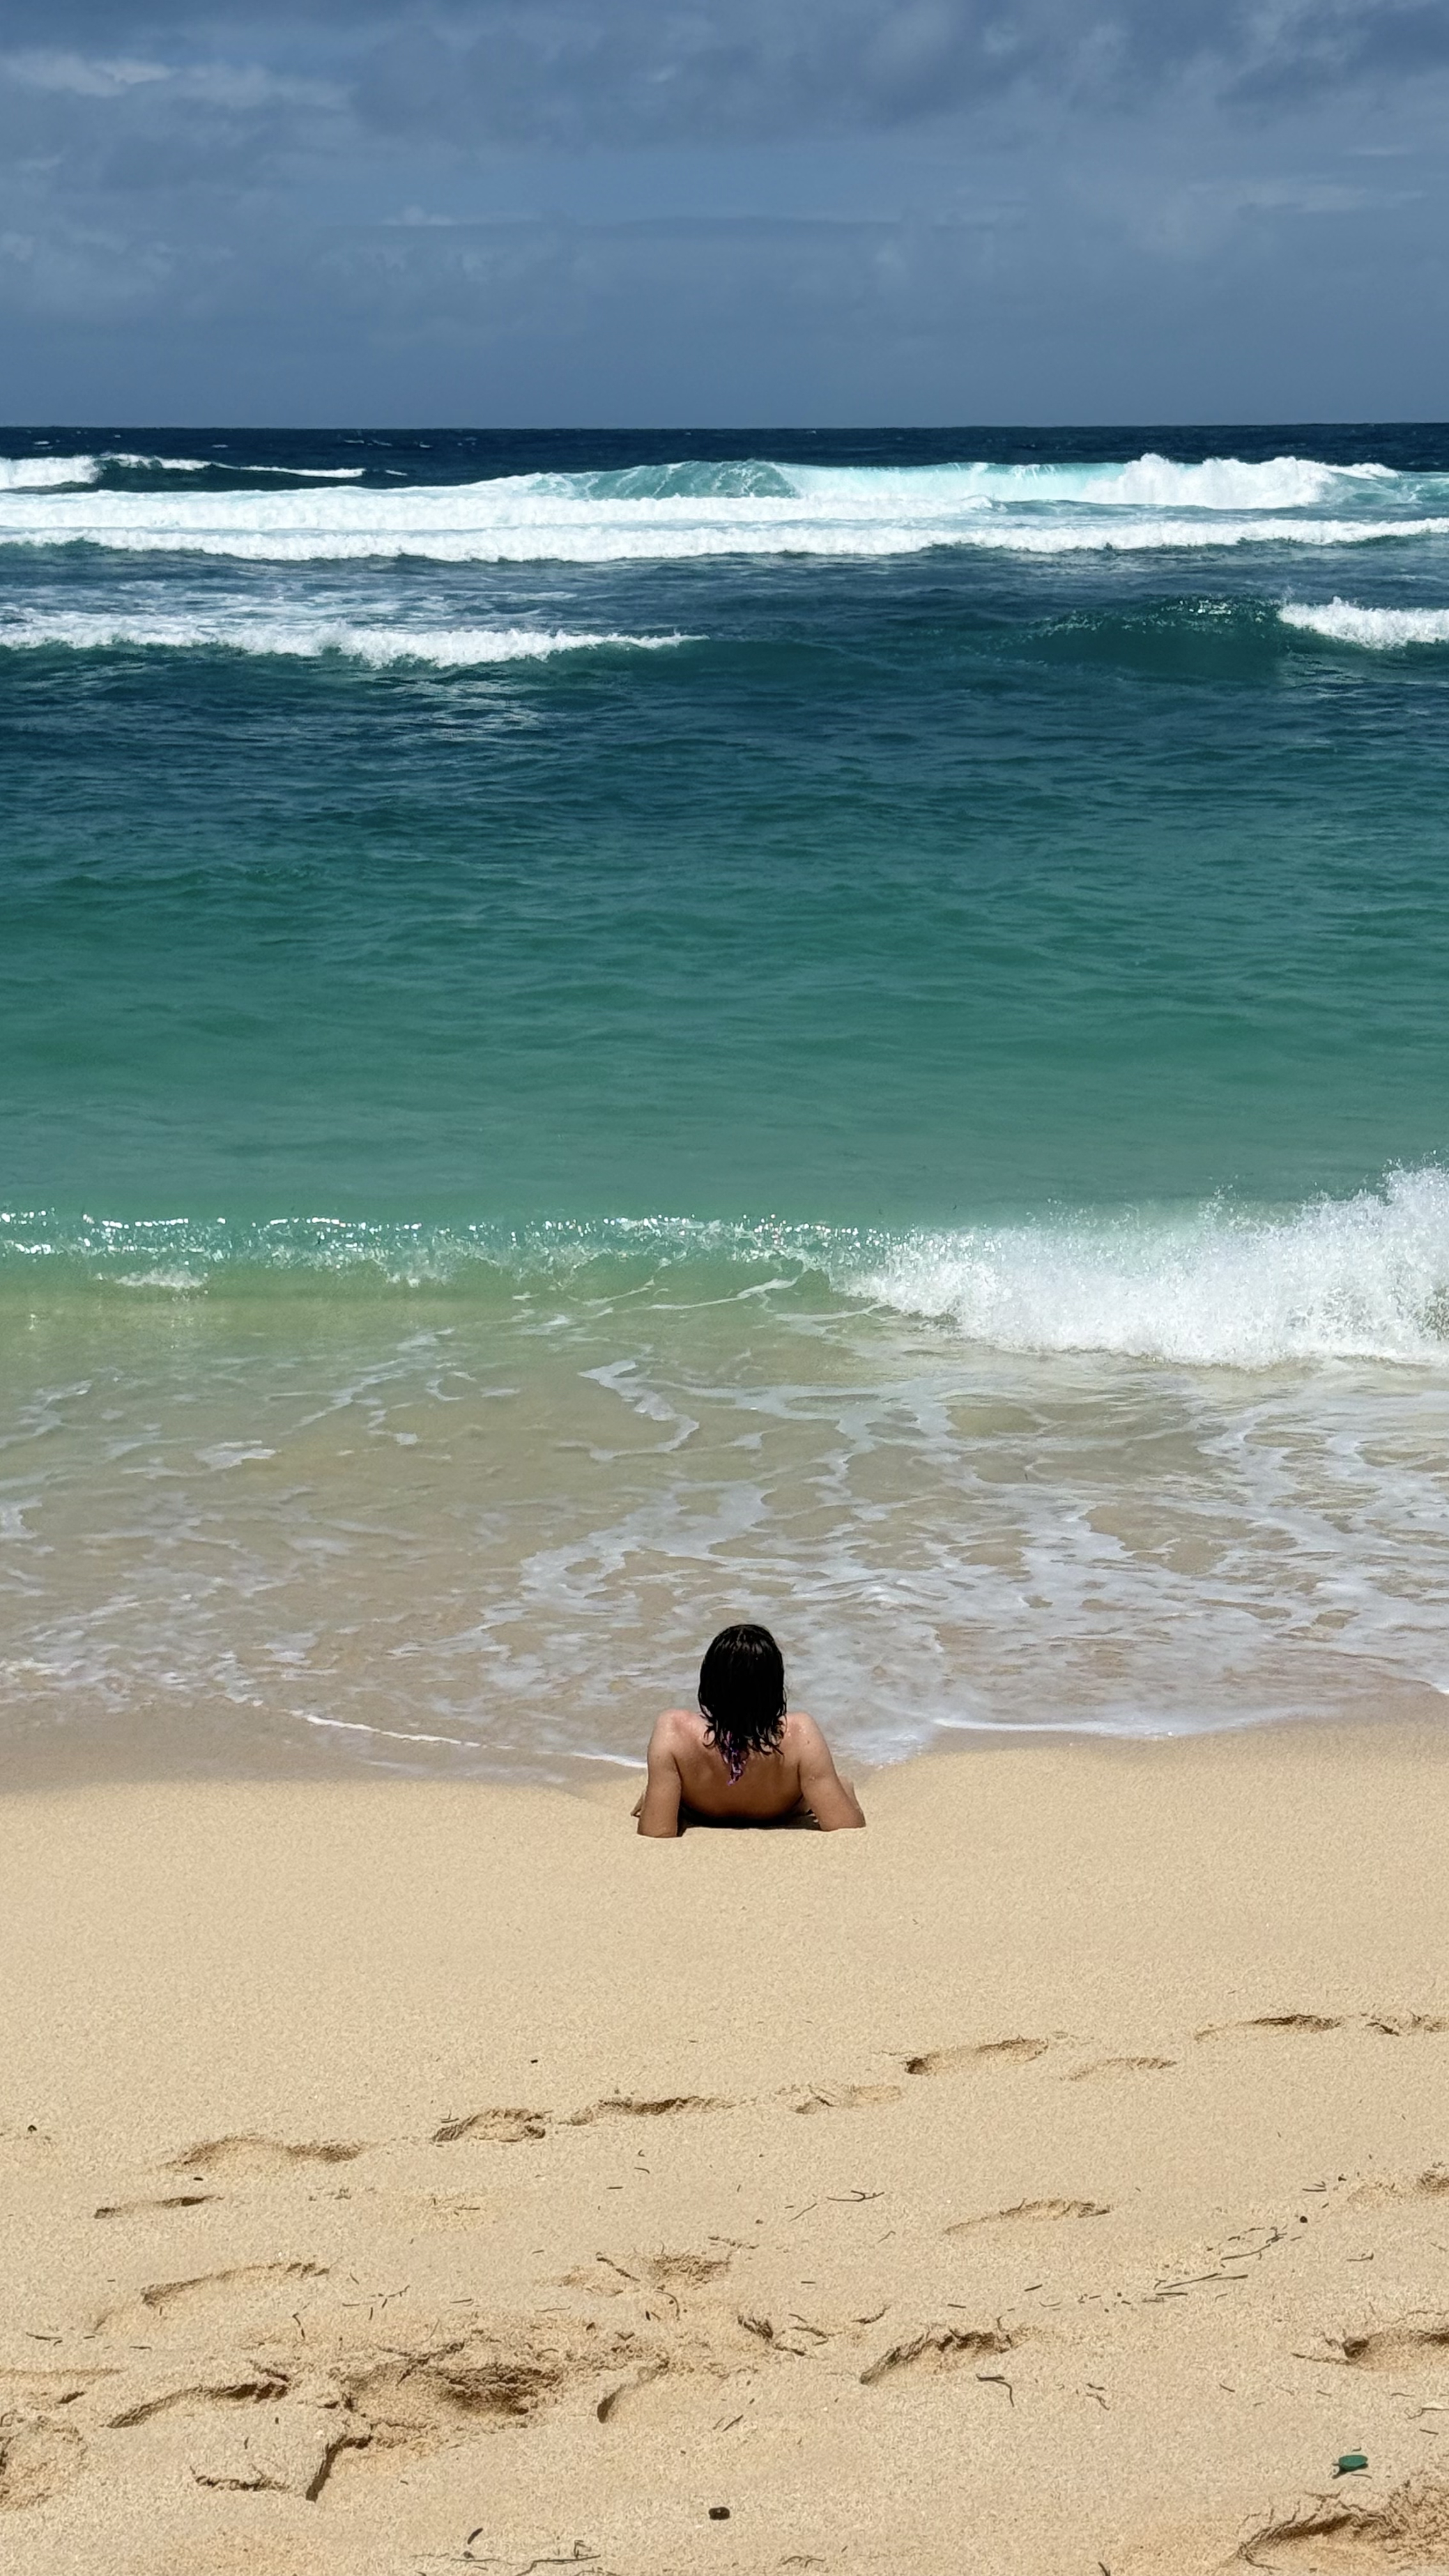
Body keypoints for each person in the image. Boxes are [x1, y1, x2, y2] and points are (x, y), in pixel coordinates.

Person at [634, 1623, 865, 1836]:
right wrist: (849, 1795)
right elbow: (844, 1827)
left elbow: (657, 1833)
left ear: (708, 1682)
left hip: (701, 1809)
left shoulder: (674, 1730)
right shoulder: (799, 1734)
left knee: (660, 1792)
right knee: (839, 1785)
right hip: (779, 1811)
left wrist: (656, 1801)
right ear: (775, 1688)